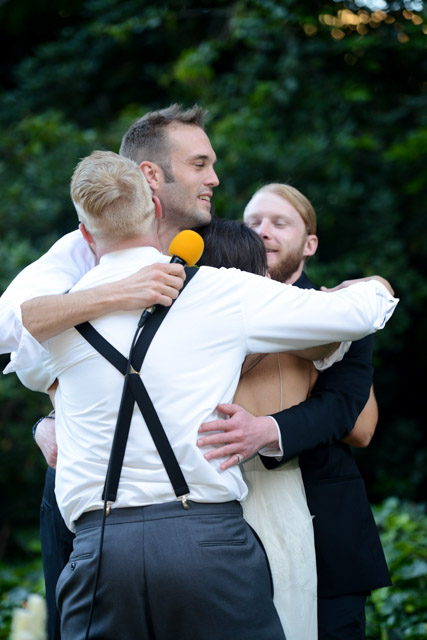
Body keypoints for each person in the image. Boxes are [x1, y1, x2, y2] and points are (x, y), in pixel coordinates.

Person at [16, 149, 396, 639]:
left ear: (85, 236)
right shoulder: (220, 292)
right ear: (157, 211)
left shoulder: (53, 321)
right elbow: (360, 316)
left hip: (99, 549)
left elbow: (24, 352)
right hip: (205, 541)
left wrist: (50, 417)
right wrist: (375, 285)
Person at [197, 184, 392, 640]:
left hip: (326, 526)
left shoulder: (342, 311)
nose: (263, 232)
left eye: (279, 223)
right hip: (219, 519)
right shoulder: (208, 305)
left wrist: (268, 427)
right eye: (253, 222)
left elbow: (356, 420)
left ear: (309, 244)